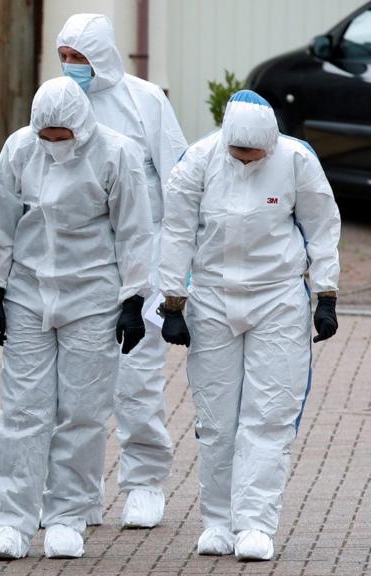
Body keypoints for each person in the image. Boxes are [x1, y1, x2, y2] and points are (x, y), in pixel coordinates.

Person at [159, 90, 340, 561]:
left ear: (272, 142)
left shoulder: (298, 160)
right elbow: (177, 229)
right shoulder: (198, 161)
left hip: (277, 297)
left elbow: (322, 226)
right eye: (238, 153)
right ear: (225, 143)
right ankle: (218, 521)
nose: (246, 161)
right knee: (217, 419)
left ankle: (255, 523)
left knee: (269, 414)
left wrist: (326, 294)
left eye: (255, 154)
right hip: (213, 298)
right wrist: (173, 300)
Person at [0, 76, 152, 560]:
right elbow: (1, 221)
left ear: (81, 127)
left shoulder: (116, 154)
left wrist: (134, 299)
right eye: (46, 137)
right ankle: (13, 519)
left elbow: (134, 230)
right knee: (21, 410)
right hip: (28, 292)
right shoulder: (19, 149)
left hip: (93, 295)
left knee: (81, 411)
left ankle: (67, 516)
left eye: (62, 137)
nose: (53, 145)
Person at [56, 13, 188, 529]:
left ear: (104, 56)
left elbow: (178, 181)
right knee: (76, 383)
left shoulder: (145, 101)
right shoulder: (57, 99)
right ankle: (75, 493)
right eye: (64, 57)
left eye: (80, 58)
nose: (71, 68)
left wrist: (180, 269)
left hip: (143, 252)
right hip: (79, 257)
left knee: (138, 377)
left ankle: (144, 482)